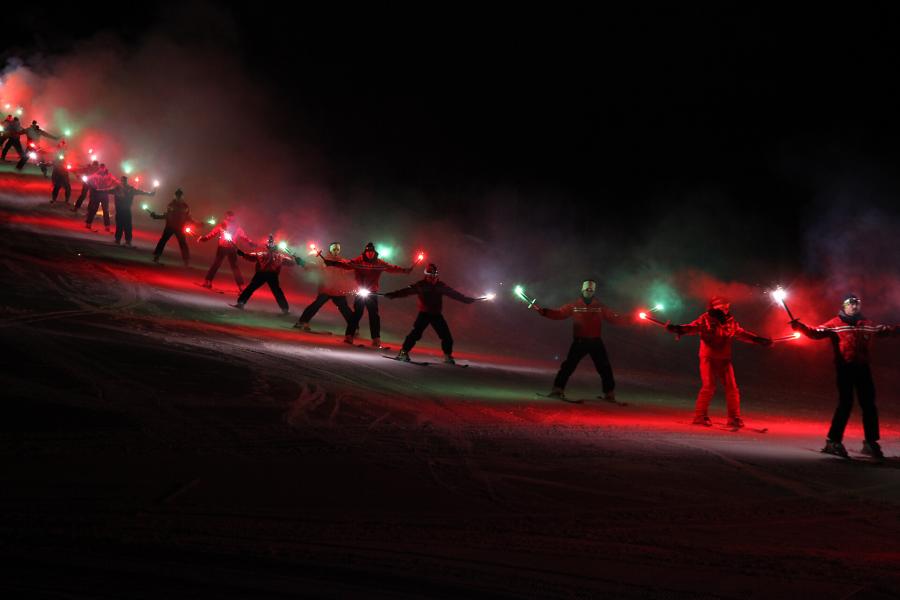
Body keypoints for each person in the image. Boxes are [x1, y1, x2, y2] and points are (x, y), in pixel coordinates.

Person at [791, 294, 899, 459]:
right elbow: (816, 332)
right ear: (844, 306)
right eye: (851, 304)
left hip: (863, 368)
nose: (854, 307)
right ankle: (833, 441)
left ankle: (871, 442)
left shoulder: (867, 324)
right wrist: (800, 327)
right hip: (845, 368)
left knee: (869, 404)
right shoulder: (835, 324)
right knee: (845, 403)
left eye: (857, 304)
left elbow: (886, 331)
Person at [666, 296, 772, 428]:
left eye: (727, 307)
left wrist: (758, 340)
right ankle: (700, 416)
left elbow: (740, 333)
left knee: (732, 388)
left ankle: (734, 418)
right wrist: (679, 328)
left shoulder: (730, 321)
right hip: (708, 357)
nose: (726, 310)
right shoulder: (705, 319)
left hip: (724, 359)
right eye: (722, 308)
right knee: (709, 386)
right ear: (714, 308)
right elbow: (693, 327)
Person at [530, 279, 631, 402]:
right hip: (580, 342)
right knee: (568, 366)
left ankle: (609, 393)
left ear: (594, 291)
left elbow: (615, 318)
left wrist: (634, 318)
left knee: (604, 368)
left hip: (595, 342)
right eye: (587, 289)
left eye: (591, 290)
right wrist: (544, 311)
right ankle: (558, 389)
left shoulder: (599, 307)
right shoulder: (574, 305)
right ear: (582, 290)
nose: (589, 291)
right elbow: (559, 314)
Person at [323, 242, 412, 348]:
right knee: (357, 313)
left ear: (374, 252)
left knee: (373, 315)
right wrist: (333, 264)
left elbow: (391, 268)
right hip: (360, 291)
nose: (370, 254)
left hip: (372, 292)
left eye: (372, 252)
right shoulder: (359, 260)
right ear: (365, 252)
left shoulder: (379, 263)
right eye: (368, 252)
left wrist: (404, 270)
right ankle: (349, 336)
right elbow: (347, 264)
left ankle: (376, 338)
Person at [385, 263, 477, 364]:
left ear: (436, 274)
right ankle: (403, 352)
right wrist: (393, 295)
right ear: (426, 274)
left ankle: (448, 356)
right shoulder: (421, 285)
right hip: (424, 314)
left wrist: (466, 300)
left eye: (433, 274)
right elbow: (406, 291)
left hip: (436, 315)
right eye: (429, 274)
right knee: (415, 334)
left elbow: (454, 294)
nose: (431, 276)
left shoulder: (440, 286)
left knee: (446, 336)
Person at [232, 235, 303, 314]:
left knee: (276, 291)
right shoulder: (263, 254)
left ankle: (285, 309)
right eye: (269, 243)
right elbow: (252, 256)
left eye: (272, 243)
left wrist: (296, 261)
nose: (270, 244)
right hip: (261, 274)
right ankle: (241, 303)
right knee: (251, 288)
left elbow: (290, 262)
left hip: (272, 275)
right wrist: (243, 254)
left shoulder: (279, 256)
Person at [294, 241, 355, 331]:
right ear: (330, 249)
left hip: (338, 289)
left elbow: (352, 269)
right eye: (334, 248)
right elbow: (313, 266)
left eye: (338, 249)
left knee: (344, 308)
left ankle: (354, 327)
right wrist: (303, 263)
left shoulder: (342, 261)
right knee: (317, 304)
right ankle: (302, 321)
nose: (336, 250)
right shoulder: (324, 259)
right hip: (326, 288)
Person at [198, 211, 254, 290]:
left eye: (231, 216)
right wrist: (205, 238)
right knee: (216, 264)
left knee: (234, 267)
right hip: (222, 248)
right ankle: (208, 281)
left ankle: (241, 286)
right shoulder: (222, 225)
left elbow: (243, 236)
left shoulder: (237, 227)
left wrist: (250, 242)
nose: (230, 218)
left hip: (231, 248)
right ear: (226, 217)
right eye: (228, 216)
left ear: (233, 217)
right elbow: (213, 232)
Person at [148, 189, 197, 266]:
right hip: (171, 227)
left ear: (182, 197)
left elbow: (188, 217)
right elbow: (167, 215)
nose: (178, 197)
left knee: (181, 243)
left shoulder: (184, 206)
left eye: (179, 196)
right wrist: (156, 216)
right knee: (164, 241)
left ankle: (186, 261)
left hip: (178, 227)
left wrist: (196, 223)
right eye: (177, 196)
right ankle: (156, 257)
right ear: (175, 196)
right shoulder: (173, 205)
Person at [112, 175, 155, 246]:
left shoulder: (130, 189)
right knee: (120, 225)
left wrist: (149, 194)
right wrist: (97, 190)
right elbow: (106, 190)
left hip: (126, 210)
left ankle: (127, 240)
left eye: (124, 181)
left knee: (127, 226)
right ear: (121, 181)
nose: (123, 182)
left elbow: (141, 192)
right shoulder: (117, 189)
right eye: (122, 181)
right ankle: (118, 239)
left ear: (126, 181)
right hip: (119, 210)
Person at [84, 164, 118, 231]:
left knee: (105, 210)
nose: (102, 169)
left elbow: (116, 180)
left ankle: (107, 226)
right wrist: (93, 186)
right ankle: (88, 223)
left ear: (105, 168)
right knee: (94, 209)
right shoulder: (96, 175)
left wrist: (112, 185)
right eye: (101, 168)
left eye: (103, 168)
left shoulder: (109, 175)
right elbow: (87, 179)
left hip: (104, 194)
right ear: (100, 168)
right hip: (97, 193)